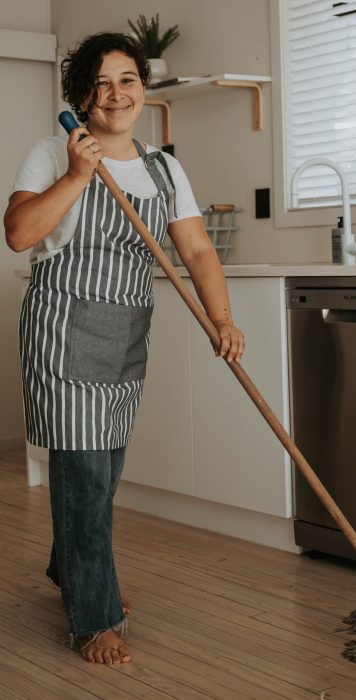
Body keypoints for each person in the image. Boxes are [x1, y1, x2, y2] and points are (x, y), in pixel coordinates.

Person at [4, 32, 245, 665]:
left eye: (128, 80)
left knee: (101, 474)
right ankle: (94, 615)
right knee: (82, 472)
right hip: (62, 331)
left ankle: (73, 569)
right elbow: (21, 233)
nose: (117, 94)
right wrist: (80, 173)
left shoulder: (165, 167)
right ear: (82, 95)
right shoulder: (52, 152)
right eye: (102, 82)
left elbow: (195, 249)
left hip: (125, 336)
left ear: (144, 87)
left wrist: (223, 319)